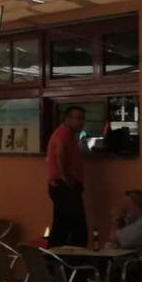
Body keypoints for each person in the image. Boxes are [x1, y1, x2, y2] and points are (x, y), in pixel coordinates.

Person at [46, 106, 87, 247]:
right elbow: (60, 154)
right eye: (78, 118)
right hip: (65, 186)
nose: (81, 122)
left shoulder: (67, 134)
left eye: (83, 118)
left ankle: (52, 262)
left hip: (63, 185)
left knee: (61, 227)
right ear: (67, 119)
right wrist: (66, 177)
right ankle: (75, 263)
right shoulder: (64, 133)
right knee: (77, 228)